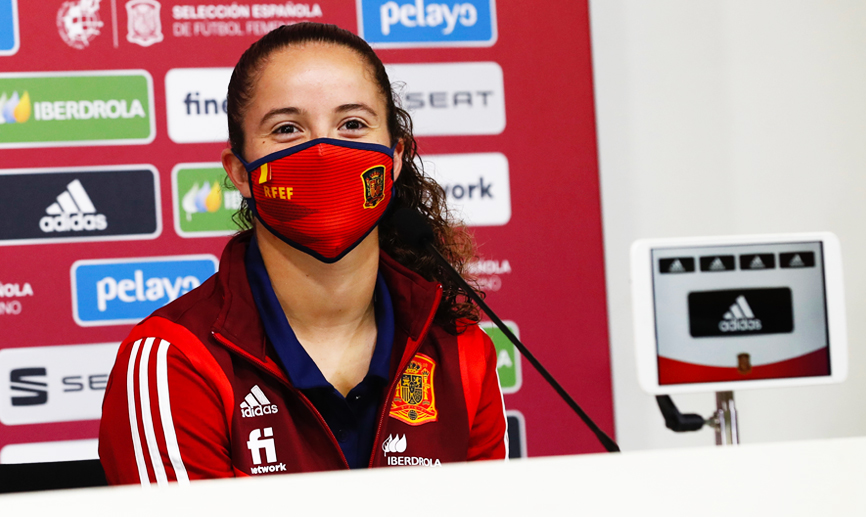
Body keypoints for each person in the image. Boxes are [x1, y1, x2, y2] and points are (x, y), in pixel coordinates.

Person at [98, 22, 507, 485]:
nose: (323, 153)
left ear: (393, 158)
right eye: (287, 129)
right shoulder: (175, 359)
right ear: (240, 171)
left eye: (352, 124)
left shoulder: (460, 349)